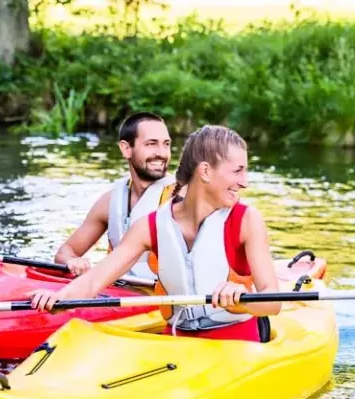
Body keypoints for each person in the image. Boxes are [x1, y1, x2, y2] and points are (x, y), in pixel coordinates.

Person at [31, 125, 281, 343]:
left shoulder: (247, 220)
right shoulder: (150, 226)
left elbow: (273, 301)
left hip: (238, 340)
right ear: (205, 172)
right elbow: (95, 279)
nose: (245, 182)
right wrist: (59, 299)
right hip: (177, 340)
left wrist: (244, 299)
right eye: (237, 171)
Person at [54, 111, 177, 280]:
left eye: (166, 144)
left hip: (161, 294)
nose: (162, 153)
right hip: (117, 290)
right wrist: (73, 261)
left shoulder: (182, 198)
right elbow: (65, 252)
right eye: (151, 144)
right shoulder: (110, 202)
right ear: (126, 149)